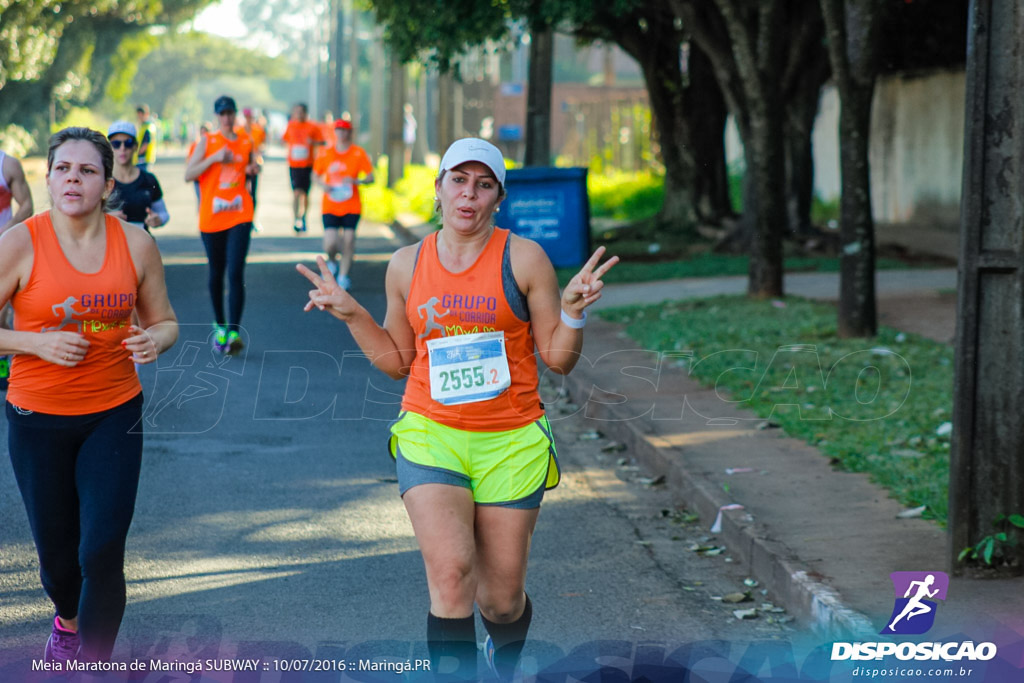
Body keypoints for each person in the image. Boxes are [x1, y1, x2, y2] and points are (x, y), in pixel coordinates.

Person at [297, 138, 618, 681]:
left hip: (511, 438)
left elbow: (558, 360)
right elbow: (397, 361)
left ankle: (501, 652)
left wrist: (572, 312)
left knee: (500, 601)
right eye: (458, 180)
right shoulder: (406, 264)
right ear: (439, 188)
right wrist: (352, 315)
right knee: (451, 576)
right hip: (431, 431)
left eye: (483, 184)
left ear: (499, 197)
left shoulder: (524, 258)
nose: (469, 194)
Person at [0, 126, 178, 665]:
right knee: (57, 561)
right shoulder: (20, 242)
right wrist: (37, 342)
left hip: (113, 412)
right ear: (49, 178)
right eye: (62, 169)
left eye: (87, 170)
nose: (73, 178)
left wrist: (154, 340)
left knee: (101, 550)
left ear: (106, 185)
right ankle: (68, 621)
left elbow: (166, 321)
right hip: (37, 416)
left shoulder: (136, 242)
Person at [185, 95, 258, 355]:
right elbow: (189, 174)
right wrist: (214, 158)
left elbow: (249, 165)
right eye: (222, 113)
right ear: (217, 116)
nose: (227, 117)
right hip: (212, 218)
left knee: (236, 271)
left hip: (240, 214)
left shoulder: (246, 140)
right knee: (217, 272)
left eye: (230, 113)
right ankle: (220, 326)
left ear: (235, 114)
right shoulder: (207, 142)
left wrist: (253, 168)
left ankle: (235, 332)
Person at [313, 118, 374, 290]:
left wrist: (356, 180)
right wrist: (322, 184)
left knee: (348, 240)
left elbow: (370, 177)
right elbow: (315, 175)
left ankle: (343, 276)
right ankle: (332, 261)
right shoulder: (326, 153)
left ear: (350, 133)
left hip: (351, 205)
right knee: (330, 243)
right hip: (330, 204)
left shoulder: (358, 153)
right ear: (335, 132)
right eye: (338, 130)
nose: (342, 133)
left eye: (345, 130)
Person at [0, 148, 35, 390]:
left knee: (0, 313)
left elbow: (27, 206)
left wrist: (5, 232)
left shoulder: (8, 165)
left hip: (2, 250)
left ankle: (3, 366)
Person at [107, 121, 169, 233]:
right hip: (110, 246)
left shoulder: (148, 179)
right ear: (109, 148)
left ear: (136, 146)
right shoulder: (101, 180)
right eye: (116, 144)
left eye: (128, 143)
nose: (122, 148)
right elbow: (84, 217)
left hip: (142, 245)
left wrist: (158, 219)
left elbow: (163, 213)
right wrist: (106, 219)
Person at [282, 102, 323, 233]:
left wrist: (313, 142)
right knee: (296, 192)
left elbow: (323, 142)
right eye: (297, 111)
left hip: (308, 164)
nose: (299, 114)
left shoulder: (312, 126)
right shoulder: (291, 125)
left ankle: (304, 217)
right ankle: (296, 219)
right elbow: (285, 140)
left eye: (301, 112)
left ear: (305, 113)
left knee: (305, 194)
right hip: (294, 165)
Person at [238, 108, 266, 213]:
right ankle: (242, 215)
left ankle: (252, 217)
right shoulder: (238, 131)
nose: (248, 119)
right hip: (242, 165)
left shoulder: (258, 130)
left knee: (253, 192)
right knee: (242, 190)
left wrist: (258, 155)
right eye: (246, 117)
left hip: (255, 163)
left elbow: (262, 145)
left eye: (250, 117)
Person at [135, 105, 157, 171]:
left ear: (146, 114)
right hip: (143, 159)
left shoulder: (148, 128)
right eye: (138, 115)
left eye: (141, 115)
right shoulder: (143, 126)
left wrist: (137, 153)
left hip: (144, 159)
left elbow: (145, 144)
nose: (139, 117)